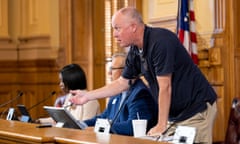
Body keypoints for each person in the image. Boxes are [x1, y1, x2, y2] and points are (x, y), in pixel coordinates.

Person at [70, 7, 217, 143]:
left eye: (117, 28)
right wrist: (87, 96)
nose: (114, 34)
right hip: (175, 115)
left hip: (196, 110)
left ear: (133, 27)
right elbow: (122, 83)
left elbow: (165, 87)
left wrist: (161, 124)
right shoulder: (135, 50)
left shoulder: (160, 42)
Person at [83, 53, 158, 136]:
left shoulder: (140, 93)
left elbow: (132, 127)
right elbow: (104, 117)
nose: (109, 73)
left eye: (112, 69)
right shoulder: (116, 92)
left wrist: (100, 128)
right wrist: (82, 124)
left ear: (125, 71)